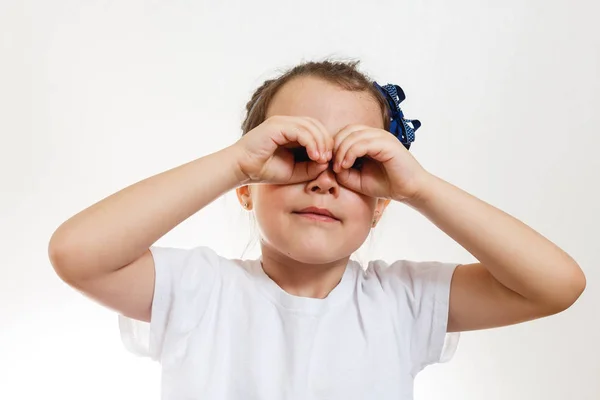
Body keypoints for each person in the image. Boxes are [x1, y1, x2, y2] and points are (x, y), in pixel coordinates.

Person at [48, 59, 586, 399]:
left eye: (356, 165)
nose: (323, 180)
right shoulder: (197, 290)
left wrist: (420, 186)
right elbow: (77, 253)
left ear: (380, 205)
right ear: (246, 186)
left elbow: (557, 285)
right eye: (296, 154)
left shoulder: (403, 301)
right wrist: (236, 160)